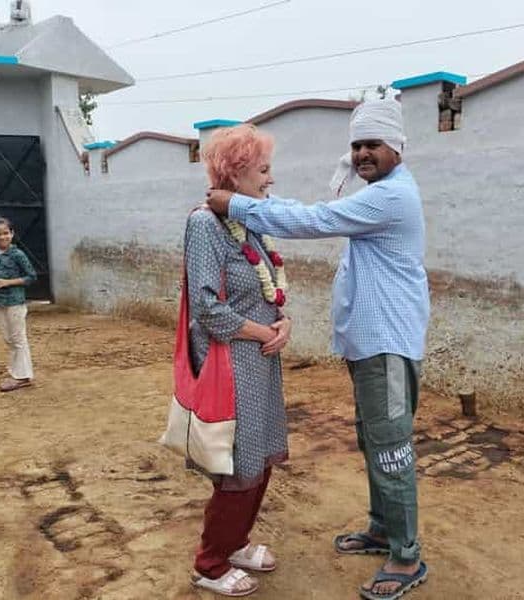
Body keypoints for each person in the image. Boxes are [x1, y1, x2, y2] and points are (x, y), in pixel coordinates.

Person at [206, 98, 430, 600]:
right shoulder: (379, 193)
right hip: (370, 345)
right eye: (356, 145)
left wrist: (235, 204)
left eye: (373, 144)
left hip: (388, 347)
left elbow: (312, 221)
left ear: (397, 147)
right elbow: (311, 214)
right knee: (375, 440)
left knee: (391, 448)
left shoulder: (391, 198)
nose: (363, 153)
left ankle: (406, 556)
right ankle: (381, 528)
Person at [188, 124, 292, 597]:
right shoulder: (204, 224)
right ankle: (209, 563)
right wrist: (260, 332)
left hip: (262, 361)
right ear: (236, 170)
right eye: (263, 169)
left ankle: (237, 543)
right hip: (232, 363)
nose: (270, 179)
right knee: (237, 461)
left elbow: (271, 290)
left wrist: (282, 324)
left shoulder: (251, 222)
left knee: (260, 453)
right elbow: (208, 307)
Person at [0, 217, 37, 392]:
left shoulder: (17, 254)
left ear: (12, 234)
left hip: (15, 301)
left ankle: (23, 377)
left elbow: (31, 277)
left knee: (18, 339)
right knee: (9, 339)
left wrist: (8, 282)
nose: (2, 237)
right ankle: (16, 371)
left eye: (6, 233)